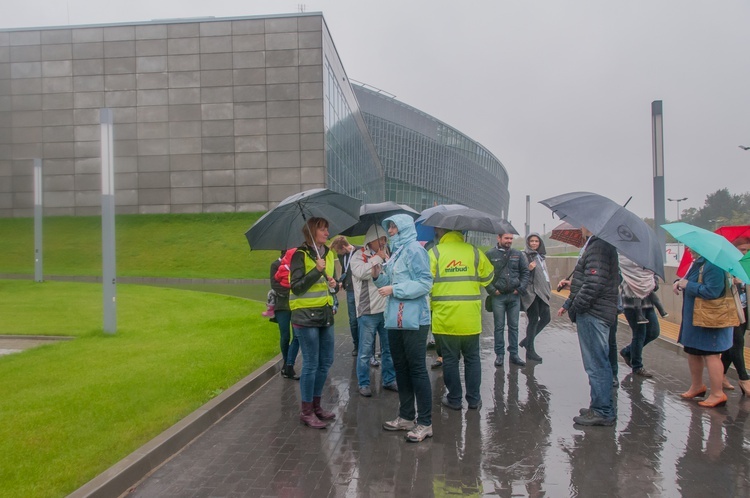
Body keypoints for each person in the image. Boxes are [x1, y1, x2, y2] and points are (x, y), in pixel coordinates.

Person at [373, 214, 434, 442]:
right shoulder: (396, 253)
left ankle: (425, 422)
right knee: (400, 367)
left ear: (405, 228)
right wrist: (377, 273)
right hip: (394, 319)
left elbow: (425, 282)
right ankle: (406, 416)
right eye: (388, 227)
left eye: (393, 227)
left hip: (415, 319)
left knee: (416, 368)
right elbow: (385, 282)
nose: (389, 231)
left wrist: (395, 290)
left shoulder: (415, 251)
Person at [557, 226, 620, 426]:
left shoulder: (599, 246)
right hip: (599, 311)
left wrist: (576, 307)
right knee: (598, 361)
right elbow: (590, 280)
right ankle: (599, 405)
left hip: (594, 313)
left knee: (596, 364)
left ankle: (602, 411)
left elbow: (593, 284)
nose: (580, 227)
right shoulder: (598, 244)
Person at [429, 227, 494, 411]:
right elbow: (488, 277)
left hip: (445, 317)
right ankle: (474, 400)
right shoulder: (474, 252)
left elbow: (425, 281)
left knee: (450, 359)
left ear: (441, 232)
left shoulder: (434, 253)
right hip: (470, 318)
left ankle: (455, 399)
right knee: (472, 358)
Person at [289, 217, 338, 429]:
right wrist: (316, 270)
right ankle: (306, 411)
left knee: (326, 361)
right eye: (323, 229)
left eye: (327, 229)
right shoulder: (299, 255)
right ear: (311, 232)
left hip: (325, 315)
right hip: (304, 316)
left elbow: (328, 288)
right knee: (310, 363)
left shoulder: (328, 253)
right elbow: (297, 287)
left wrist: (334, 285)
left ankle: (317, 406)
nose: (327, 233)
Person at [673, 248, 734, 408]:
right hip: (695, 320)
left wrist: (688, 285)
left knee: (711, 355)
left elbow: (713, 291)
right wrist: (678, 283)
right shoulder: (699, 263)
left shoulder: (714, 265)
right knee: (693, 352)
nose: (688, 250)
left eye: (691, 248)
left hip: (709, 320)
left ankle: (717, 393)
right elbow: (688, 280)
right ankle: (697, 386)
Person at [349, 225, 397, 397]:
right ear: (371, 240)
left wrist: (384, 259)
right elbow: (361, 273)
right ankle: (363, 383)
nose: (384, 242)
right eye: (381, 239)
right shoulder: (358, 255)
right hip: (367, 312)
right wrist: (377, 258)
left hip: (386, 310)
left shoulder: (386, 254)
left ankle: (389, 380)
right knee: (365, 351)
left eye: (385, 239)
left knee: (388, 349)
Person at [486, 230, 530, 367]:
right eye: (506, 238)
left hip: (514, 295)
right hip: (498, 296)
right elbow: (484, 275)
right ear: (498, 238)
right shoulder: (490, 254)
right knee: (499, 327)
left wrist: (520, 288)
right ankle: (499, 355)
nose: (509, 241)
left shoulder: (518, 254)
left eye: (511, 238)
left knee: (514, 326)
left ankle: (514, 354)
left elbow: (525, 272)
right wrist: (493, 290)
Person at [618, 254, 661, 378]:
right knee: (639, 334)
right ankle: (637, 366)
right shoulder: (624, 261)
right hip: (631, 304)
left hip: (648, 302)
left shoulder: (648, 261)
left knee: (654, 332)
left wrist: (652, 282)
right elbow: (621, 281)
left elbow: (655, 282)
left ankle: (628, 351)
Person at [721, 237, 750, 394]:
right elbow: (718, 285)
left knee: (730, 347)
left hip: (743, 309)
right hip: (731, 310)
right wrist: (732, 281)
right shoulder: (727, 266)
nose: (744, 253)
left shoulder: (745, 265)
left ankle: (720, 376)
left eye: (747, 250)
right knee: (737, 343)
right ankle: (744, 379)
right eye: (742, 249)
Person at [520, 233, 551, 363]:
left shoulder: (540, 257)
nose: (534, 243)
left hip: (542, 292)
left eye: (536, 241)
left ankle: (527, 341)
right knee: (533, 319)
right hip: (532, 292)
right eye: (531, 241)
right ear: (528, 243)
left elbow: (545, 275)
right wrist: (529, 268)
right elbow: (521, 273)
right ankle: (530, 351)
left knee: (546, 318)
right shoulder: (524, 255)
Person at [270, 251, 300, 379]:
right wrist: (292, 289)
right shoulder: (275, 265)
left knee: (297, 335)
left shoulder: (297, 264)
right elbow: (275, 285)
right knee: (285, 335)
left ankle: (289, 364)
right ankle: (285, 362)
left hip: (295, 305)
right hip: (282, 305)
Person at [330, 236, 360, 358]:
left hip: (361, 290)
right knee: (353, 320)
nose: (337, 254)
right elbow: (345, 268)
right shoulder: (342, 256)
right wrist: (343, 280)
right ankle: (356, 345)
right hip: (350, 290)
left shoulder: (360, 251)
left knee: (363, 319)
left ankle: (366, 346)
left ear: (343, 247)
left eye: (338, 251)